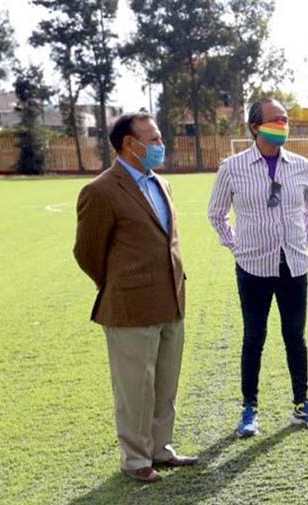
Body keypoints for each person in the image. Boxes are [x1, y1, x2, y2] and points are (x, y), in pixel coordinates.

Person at [74, 112, 196, 483]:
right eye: (155, 139)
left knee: (164, 382)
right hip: (130, 306)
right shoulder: (101, 190)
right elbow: (87, 252)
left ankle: (161, 448)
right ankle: (135, 459)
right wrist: (120, 285)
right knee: (134, 388)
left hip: (171, 300)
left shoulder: (162, 184)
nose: (161, 146)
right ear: (131, 144)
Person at [207, 97, 308, 437]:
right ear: (255, 127)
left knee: (296, 337)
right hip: (253, 268)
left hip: (294, 265)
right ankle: (250, 409)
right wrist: (237, 247)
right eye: (275, 119)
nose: (283, 125)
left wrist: (301, 242)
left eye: (285, 119)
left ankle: (302, 405)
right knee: (254, 337)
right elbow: (216, 214)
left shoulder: (300, 166)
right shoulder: (232, 168)